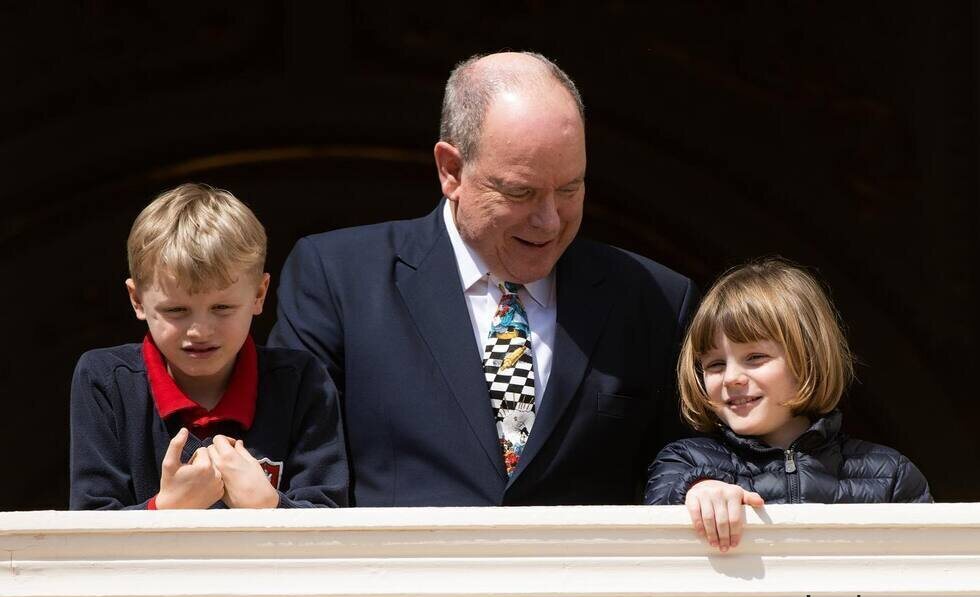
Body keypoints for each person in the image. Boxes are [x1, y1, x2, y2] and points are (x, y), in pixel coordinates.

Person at [269, 51, 697, 506]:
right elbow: (294, 468)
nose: (550, 222)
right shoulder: (339, 278)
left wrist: (701, 483)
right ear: (451, 171)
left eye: (570, 189)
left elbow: (693, 460)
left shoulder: (654, 299)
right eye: (520, 192)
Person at [70, 183, 348, 510]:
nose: (200, 331)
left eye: (222, 308)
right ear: (137, 300)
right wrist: (166, 510)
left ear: (259, 294)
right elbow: (89, 527)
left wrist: (269, 508)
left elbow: (330, 527)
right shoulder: (106, 381)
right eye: (176, 310)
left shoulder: (301, 382)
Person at [644, 258, 931, 550]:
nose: (731, 377)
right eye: (715, 364)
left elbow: (932, 572)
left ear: (807, 358)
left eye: (755, 357)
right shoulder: (685, 462)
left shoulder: (890, 473)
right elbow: (656, 524)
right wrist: (697, 493)